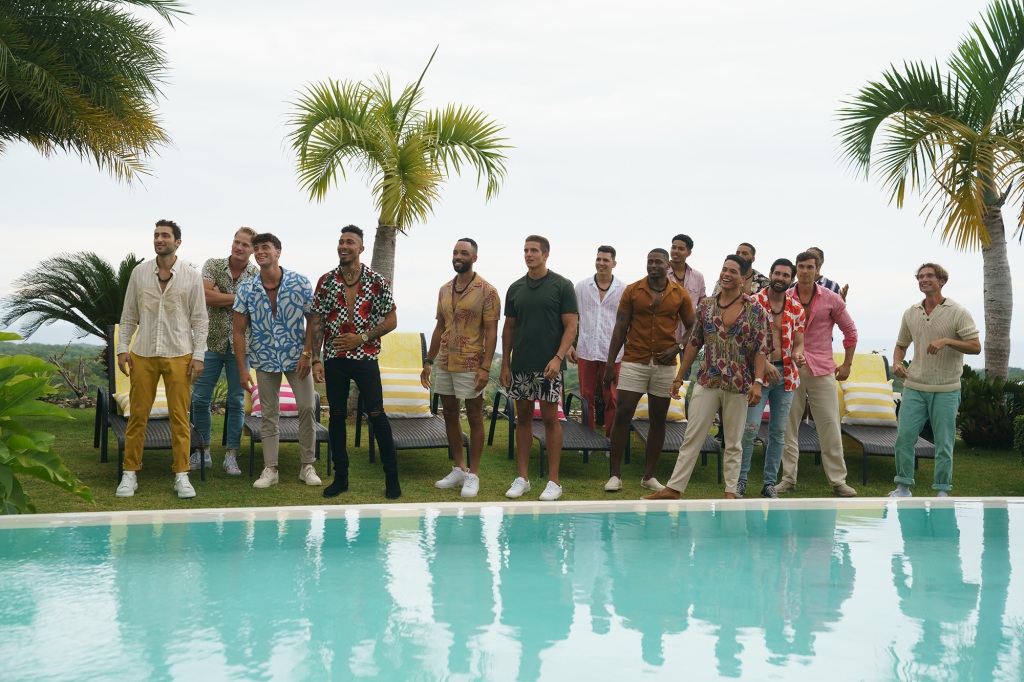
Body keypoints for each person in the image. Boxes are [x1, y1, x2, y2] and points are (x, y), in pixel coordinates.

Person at [643, 255, 769, 500]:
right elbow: (694, 342)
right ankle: (674, 488)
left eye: (733, 271)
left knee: (733, 441)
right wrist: (679, 376)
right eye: (724, 269)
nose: (727, 274)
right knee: (692, 436)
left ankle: (730, 491)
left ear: (743, 278)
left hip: (738, 383)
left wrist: (757, 382)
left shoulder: (754, 309)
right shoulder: (706, 306)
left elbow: (761, 348)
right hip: (707, 379)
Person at [115, 219, 208, 499]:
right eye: (156, 235)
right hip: (142, 353)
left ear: (177, 242)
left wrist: (199, 356)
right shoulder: (140, 273)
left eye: (165, 236)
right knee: (137, 416)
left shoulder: (191, 275)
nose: (159, 239)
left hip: (180, 353)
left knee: (180, 418)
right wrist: (122, 348)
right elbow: (129, 314)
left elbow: (200, 319)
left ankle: (182, 474)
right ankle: (129, 474)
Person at [310, 225, 401, 499]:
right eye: (340, 242)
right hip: (335, 358)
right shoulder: (326, 281)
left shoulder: (376, 280)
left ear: (361, 248)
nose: (343, 246)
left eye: (349, 242)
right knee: (336, 416)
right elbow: (317, 321)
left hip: (366, 357)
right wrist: (315, 358)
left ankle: (392, 478)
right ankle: (341, 478)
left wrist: (361, 338)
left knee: (376, 415)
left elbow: (392, 320)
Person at [232, 233, 322, 489]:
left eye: (266, 247)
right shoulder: (247, 288)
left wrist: (308, 355)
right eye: (256, 248)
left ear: (278, 252)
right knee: (268, 414)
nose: (260, 252)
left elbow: (313, 320)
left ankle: (307, 466)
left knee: (307, 408)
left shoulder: (299, 282)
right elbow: (238, 331)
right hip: (264, 359)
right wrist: (242, 368)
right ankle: (270, 469)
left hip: (298, 360)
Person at [602, 248, 695, 492]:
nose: (653, 266)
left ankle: (649, 476)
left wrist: (678, 346)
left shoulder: (680, 294)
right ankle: (615, 475)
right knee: (622, 414)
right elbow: (620, 328)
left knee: (658, 419)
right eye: (649, 262)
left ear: (668, 266)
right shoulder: (633, 290)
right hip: (635, 359)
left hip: (664, 364)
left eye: (658, 262)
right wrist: (611, 365)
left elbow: (693, 327)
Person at [889, 263, 980, 498]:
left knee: (944, 443)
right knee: (904, 439)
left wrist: (947, 341)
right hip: (914, 387)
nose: (923, 279)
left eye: (929, 276)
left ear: (942, 281)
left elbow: (975, 346)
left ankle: (942, 491)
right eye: (920, 276)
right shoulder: (910, 313)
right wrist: (897, 363)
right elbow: (901, 345)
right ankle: (903, 487)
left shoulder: (958, 312)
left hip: (946, 389)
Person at [499, 235, 578, 501]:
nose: (528, 254)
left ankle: (554, 482)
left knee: (550, 420)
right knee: (522, 420)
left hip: (549, 367)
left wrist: (557, 358)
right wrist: (506, 364)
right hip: (521, 366)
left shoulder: (562, 285)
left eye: (534, 250)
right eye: (525, 250)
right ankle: (523, 478)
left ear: (546, 254)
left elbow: (571, 326)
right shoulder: (515, 288)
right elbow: (508, 328)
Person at [421, 238, 500, 498]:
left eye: (463, 253)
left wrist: (485, 367)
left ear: (474, 258)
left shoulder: (487, 290)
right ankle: (459, 468)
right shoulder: (444, 289)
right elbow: (439, 326)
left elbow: (491, 331)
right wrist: (428, 361)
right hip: (444, 361)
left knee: (475, 417)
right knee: (450, 415)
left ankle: (473, 474)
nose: (458, 256)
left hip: (471, 362)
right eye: (455, 252)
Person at [776, 251, 858, 497]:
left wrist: (848, 365)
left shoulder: (832, 299)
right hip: (791, 368)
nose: (804, 271)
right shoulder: (785, 297)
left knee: (830, 425)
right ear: (796, 269)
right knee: (787, 426)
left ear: (818, 270)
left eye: (809, 267)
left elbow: (850, 332)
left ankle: (838, 481)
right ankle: (788, 479)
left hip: (822, 368)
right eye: (800, 267)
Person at [189, 226, 258, 476]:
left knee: (237, 401)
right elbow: (203, 297)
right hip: (209, 343)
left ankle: (231, 455)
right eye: (236, 242)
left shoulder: (255, 273)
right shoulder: (213, 265)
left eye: (245, 244)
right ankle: (202, 450)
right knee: (199, 399)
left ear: (252, 249)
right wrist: (237, 299)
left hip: (241, 347)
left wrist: (221, 295)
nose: (239, 247)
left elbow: (254, 306)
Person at [738, 258, 805, 499]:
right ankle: (740, 481)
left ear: (791, 279)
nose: (780, 278)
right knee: (750, 428)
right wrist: (763, 363)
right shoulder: (754, 302)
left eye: (786, 275)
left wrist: (798, 356)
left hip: (786, 375)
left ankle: (769, 484)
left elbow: (799, 343)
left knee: (778, 431)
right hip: (758, 373)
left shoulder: (797, 309)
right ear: (770, 274)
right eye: (777, 274)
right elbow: (744, 340)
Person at [567, 245, 626, 437]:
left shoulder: (623, 289)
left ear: (614, 263)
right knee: (586, 396)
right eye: (598, 259)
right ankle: (587, 437)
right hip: (586, 349)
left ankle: (611, 438)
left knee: (612, 398)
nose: (601, 263)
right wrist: (569, 345)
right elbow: (572, 317)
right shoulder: (582, 287)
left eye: (606, 260)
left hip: (613, 352)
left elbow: (626, 322)